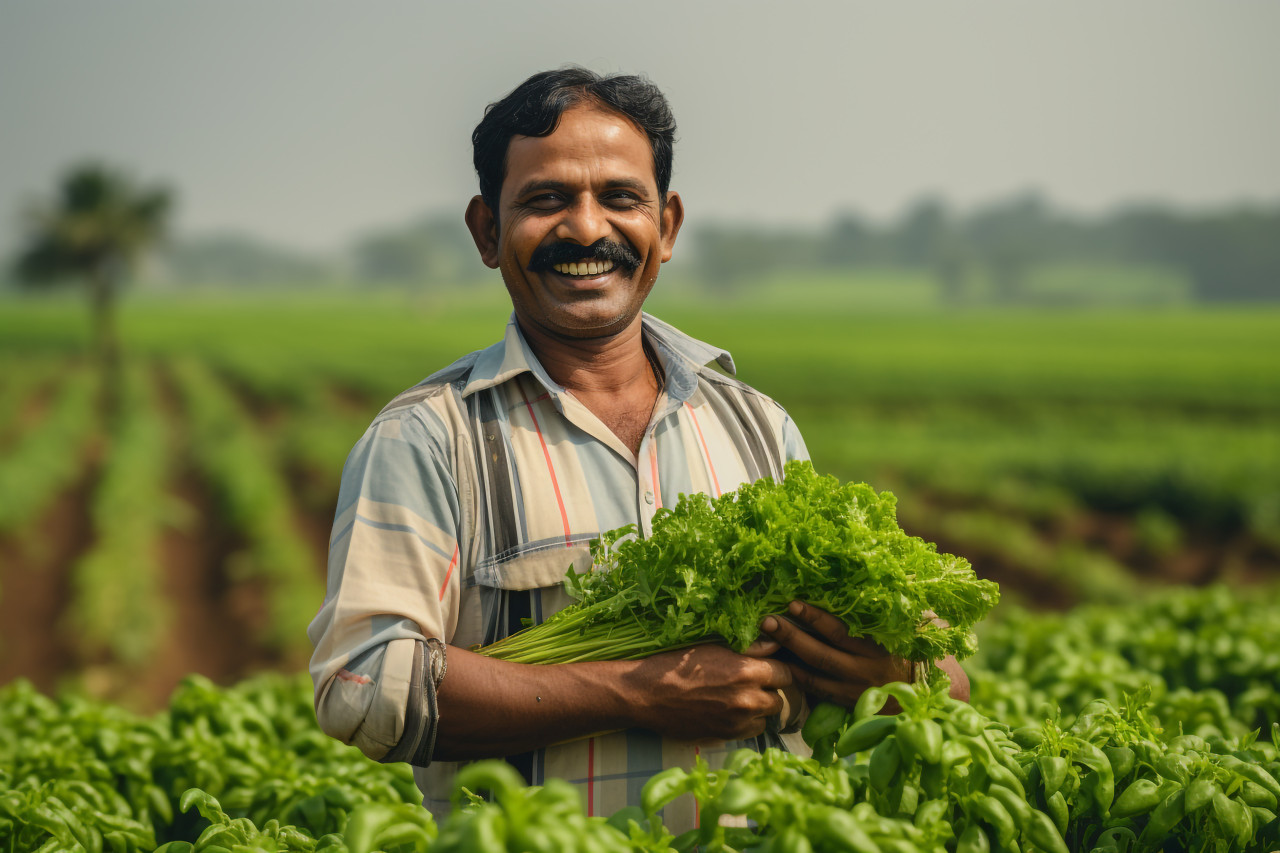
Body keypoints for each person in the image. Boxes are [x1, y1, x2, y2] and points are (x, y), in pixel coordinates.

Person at [308, 67, 968, 827]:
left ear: (669, 224)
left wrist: (884, 674)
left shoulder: (757, 426)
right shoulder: (429, 439)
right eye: (546, 199)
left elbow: (944, 681)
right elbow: (363, 686)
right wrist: (640, 690)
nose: (587, 229)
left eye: (620, 198)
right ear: (488, 231)